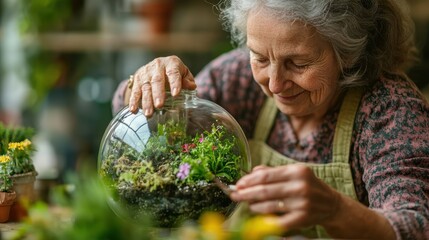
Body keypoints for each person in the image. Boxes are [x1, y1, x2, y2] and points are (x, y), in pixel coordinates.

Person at [112, 0, 429, 239]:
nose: (274, 84)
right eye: (260, 57)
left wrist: (334, 210)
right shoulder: (237, 77)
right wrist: (146, 87)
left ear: (347, 52)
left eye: (298, 63)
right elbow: (147, 129)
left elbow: (416, 225)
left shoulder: (389, 110)